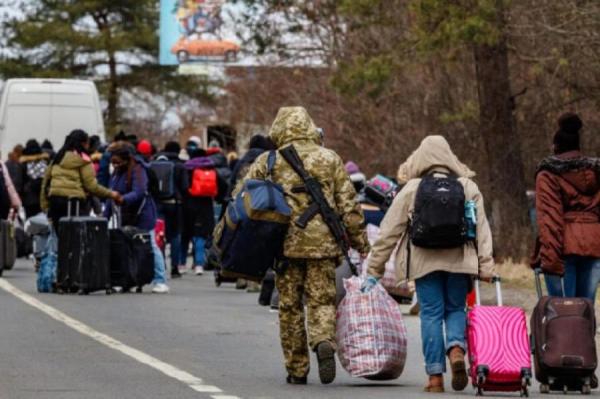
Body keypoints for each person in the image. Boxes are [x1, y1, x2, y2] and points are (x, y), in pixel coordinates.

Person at [235, 107, 370, 385]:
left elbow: (244, 199)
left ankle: (297, 369)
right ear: (309, 126)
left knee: (290, 306)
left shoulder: (267, 160)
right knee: (321, 300)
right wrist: (360, 242)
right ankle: (323, 340)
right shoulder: (329, 158)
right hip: (323, 245)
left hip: (283, 244)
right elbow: (349, 206)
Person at [366, 135, 495, 393]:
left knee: (431, 314)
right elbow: (482, 229)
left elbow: (388, 232)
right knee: (456, 308)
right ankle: (456, 349)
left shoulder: (412, 189)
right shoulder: (468, 186)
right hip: (460, 260)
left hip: (424, 262)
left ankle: (435, 378)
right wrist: (486, 265)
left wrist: (374, 269)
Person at [532, 113, 600, 300]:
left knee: (563, 312)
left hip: (564, 248)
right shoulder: (595, 172)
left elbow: (550, 219)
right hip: (594, 245)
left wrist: (551, 260)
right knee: (585, 310)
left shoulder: (548, 174)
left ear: (556, 147)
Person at [39, 130, 121, 279]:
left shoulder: (58, 158)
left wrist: (45, 206)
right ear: (83, 143)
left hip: (55, 202)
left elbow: (46, 183)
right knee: (74, 241)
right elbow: (91, 186)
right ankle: (73, 276)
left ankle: (57, 276)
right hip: (73, 203)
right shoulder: (83, 160)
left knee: (60, 241)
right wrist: (111, 194)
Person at [104, 142, 170, 294]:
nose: (114, 165)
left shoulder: (139, 170)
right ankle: (129, 280)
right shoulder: (117, 173)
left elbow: (139, 191)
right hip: (126, 215)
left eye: (116, 161)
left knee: (151, 245)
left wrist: (123, 199)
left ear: (126, 159)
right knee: (126, 247)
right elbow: (110, 195)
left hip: (143, 214)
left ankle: (160, 280)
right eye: (112, 162)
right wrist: (105, 217)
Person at [154, 141, 189, 279]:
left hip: (158, 203)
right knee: (175, 235)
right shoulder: (180, 166)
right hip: (175, 204)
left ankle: (161, 264)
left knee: (160, 234)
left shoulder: (154, 164)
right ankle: (175, 267)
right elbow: (185, 187)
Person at [182, 140, 216, 276]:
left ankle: (181, 264)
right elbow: (221, 186)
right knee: (200, 236)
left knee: (185, 235)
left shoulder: (188, 168)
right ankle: (199, 265)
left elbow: (183, 187)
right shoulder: (210, 168)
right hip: (206, 206)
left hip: (189, 205)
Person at [20, 139, 50, 218]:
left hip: (29, 200)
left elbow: (21, 182)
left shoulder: (24, 164)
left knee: (30, 225)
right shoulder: (45, 162)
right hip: (42, 199)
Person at [0, 155, 22, 220]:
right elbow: (8, 184)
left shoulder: (2, 164)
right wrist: (16, 203)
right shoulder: (2, 165)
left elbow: (8, 184)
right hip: (3, 203)